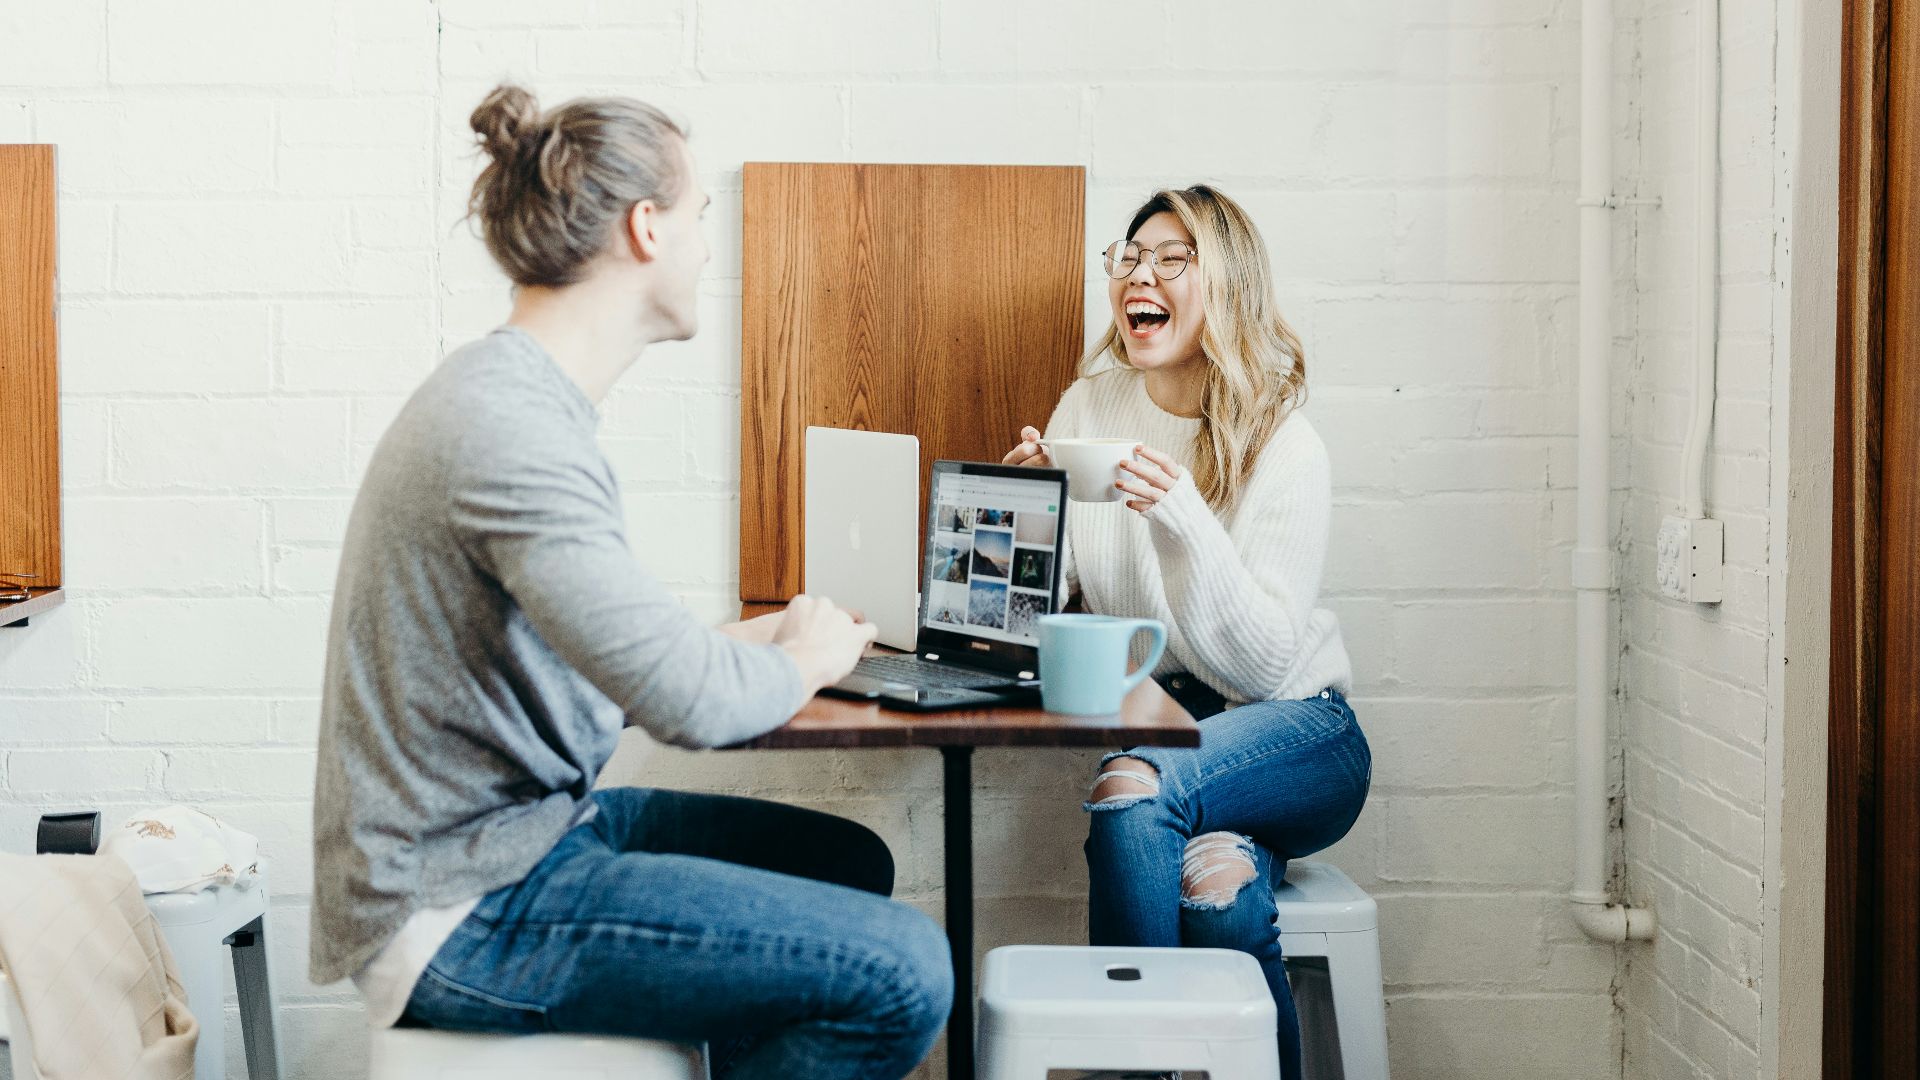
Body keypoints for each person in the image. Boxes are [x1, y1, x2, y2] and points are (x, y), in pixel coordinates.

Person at [309, 83, 951, 1080]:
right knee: (907, 971)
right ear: (646, 228)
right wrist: (811, 655)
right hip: (459, 907)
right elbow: (687, 701)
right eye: (700, 217)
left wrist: (764, 640)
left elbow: (618, 663)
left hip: (521, 841)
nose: (707, 244)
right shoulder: (510, 434)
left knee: (850, 865)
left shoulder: (521, 403)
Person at [1004, 185, 1370, 1080]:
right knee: (1219, 893)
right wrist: (1030, 522)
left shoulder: (1285, 443)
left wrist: (1183, 516)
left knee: (1129, 785)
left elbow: (1265, 660)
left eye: (1174, 259)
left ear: (1227, 285)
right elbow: (1057, 609)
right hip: (1177, 725)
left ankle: (1126, 1068)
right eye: (1130, 257)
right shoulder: (1088, 409)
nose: (1143, 274)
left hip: (1298, 731)